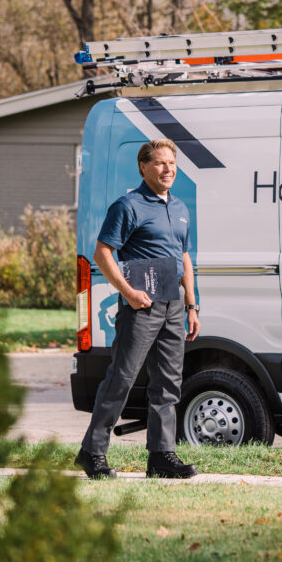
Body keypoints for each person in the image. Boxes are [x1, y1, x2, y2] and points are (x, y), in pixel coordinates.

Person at [75, 138, 202, 479]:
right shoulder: (128, 206)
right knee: (122, 379)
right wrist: (129, 293)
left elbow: (185, 258)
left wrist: (192, 305)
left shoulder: (179, 208)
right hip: (140, 306)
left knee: (168, 384)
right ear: (144, 167)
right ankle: (92, 452)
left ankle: (161, 456)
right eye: (160, 163)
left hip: (174, 306)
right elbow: (103, 253)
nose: (168, 169)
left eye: (172, 164)